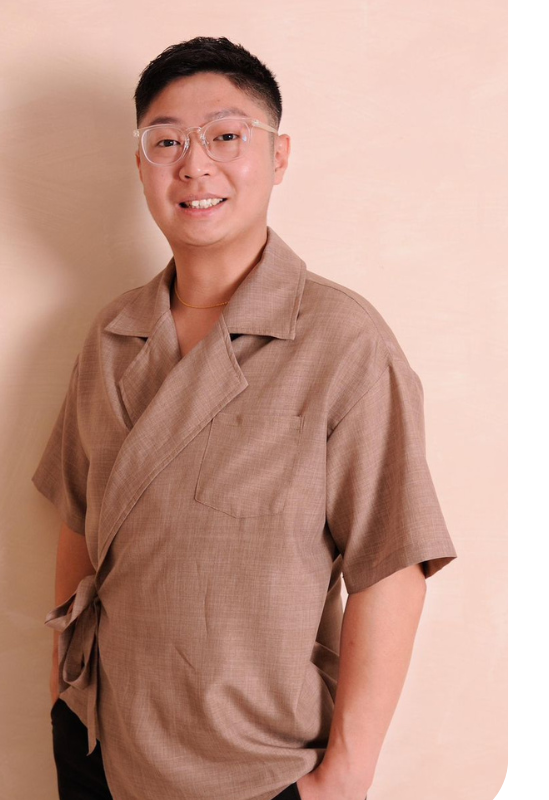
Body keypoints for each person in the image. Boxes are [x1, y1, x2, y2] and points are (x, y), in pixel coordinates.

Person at [32, 36, 457, 800]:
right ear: (140, 164)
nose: (195, 165)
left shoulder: (343, 340)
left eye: (226, 136)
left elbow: (392, 564)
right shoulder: (111, 335)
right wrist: (62, 694)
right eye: (167, 142)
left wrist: (344, 778)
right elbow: (77, 520)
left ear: (278, 155)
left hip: (259, 768)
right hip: (102, 744)